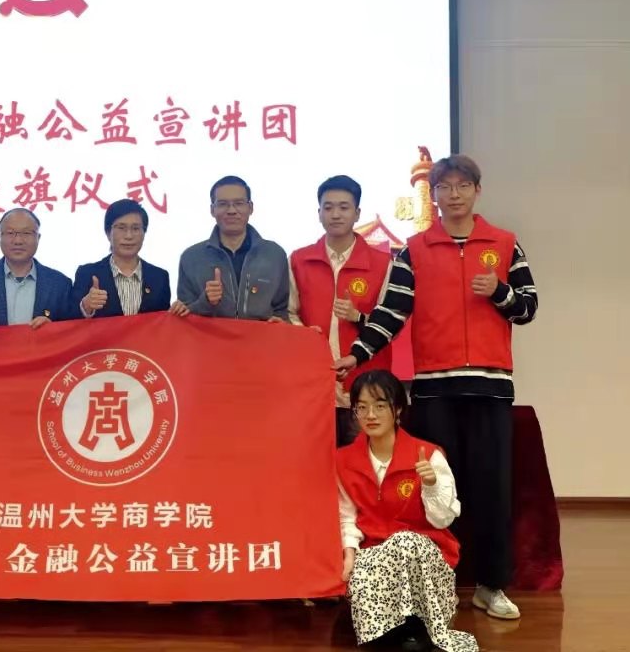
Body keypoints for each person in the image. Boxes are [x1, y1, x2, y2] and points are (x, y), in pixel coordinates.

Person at [335, 155, 538, 620]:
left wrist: (500, 293)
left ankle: (491, 585)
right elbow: (391, 313)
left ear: (477, 191)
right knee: (431, 488)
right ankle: (434, 584)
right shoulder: (413, 250)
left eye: (463, 185)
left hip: (489, 388)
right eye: (445, 187)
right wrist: (357, 355)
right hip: (433, 391)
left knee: (491, 489)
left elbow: (528, 308)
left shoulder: (505, 244)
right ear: (435, 195)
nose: (453, 194)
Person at [338, 370, 477, 652]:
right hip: (374, 556)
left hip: (425, 557)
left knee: (404, 541)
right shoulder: (343, 460)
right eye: (362, 407)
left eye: (380, 405)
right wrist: (349, 555)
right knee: (369, 571)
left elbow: (443, 518)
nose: (371, 415)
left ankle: (417, 623)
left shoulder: (428, 454)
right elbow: (346, 516)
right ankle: (395, 629)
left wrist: (431, 484)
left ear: (398, 409)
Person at [288, 175, 393, 446]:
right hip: (314, 386)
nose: (335, 214)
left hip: (367, 387)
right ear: (319, 213)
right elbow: (288, 313)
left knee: (365, 463)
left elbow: (391, 321)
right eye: (328, 207)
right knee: (315, 463)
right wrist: (305, 335)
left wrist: (358, 317)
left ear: (357, 213)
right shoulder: (299, 260)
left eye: (344, 207)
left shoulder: (383, 263)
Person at [174, 176, 289, 320]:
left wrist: (281, 322)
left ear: (250, 207)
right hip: (211, 335)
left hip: (262, 335)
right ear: (212, 210)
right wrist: (206, 301)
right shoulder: (191, 258)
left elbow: (282, 310)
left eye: (239, 203)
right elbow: (185, 317)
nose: (231, 211)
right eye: (223, 204)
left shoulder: (274, 254)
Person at [0, 208, 73, 328]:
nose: (18, 241)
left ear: (38, 238)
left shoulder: (60, 283)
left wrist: (53, 329)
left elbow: (71, 330)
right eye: (10, 233)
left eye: (26, 233)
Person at [72, 199, 175, 318]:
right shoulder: (87, 274)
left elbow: (163, 323)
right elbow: (69, 320)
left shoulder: (159, 277)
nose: (129, 236)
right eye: (121, 228)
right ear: (108, 233)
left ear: (144, 233)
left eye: (136, 228)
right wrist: (86, 306)